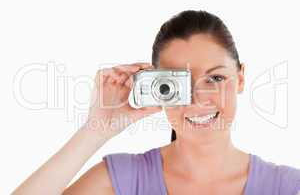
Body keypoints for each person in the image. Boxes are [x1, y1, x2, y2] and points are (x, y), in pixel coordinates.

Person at [12, 10, 300, 195]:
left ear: (240, 79)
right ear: (158, 88)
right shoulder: (121, 179)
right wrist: (96, 130)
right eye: (178, 84)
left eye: (215, 79)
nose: (198, 99)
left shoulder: (287, 186)